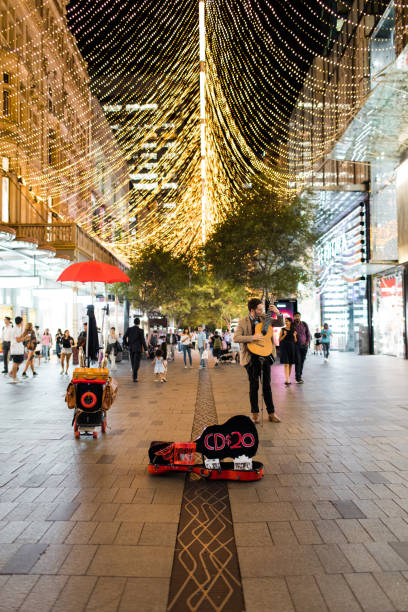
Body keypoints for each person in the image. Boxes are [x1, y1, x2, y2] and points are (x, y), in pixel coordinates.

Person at [234, 298, 283, 424]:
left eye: (262, 309)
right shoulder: (243, 321)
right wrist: (252, 337)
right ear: (252, 310)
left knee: (267, 385)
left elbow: (279, 323)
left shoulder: (264, 318)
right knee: (254, 386)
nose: (262, 311)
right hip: (251, 358)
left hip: (266, 355)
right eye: (259, 309)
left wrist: (277, 312)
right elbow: (236, 338)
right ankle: (254, 414)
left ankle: (271, 413)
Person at [123, 317, 147, 382]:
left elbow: (124, 337)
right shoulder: (141, 331)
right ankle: (135, 377)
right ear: (139, 323)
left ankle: (134, 374)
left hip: (131, 348)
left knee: (133, 362)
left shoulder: (129, 329)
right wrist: (146, 350)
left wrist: (127, 344)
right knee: (137, 363)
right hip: (138, 349)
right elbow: (143, 341)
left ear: (134, 322)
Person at [8, 317, 29, 383]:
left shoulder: (18, 328)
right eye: (23, 321)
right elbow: (18, 340)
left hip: (18, 349)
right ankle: (14, 377)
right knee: (15, 363)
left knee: (20, 361)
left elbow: (20, 336)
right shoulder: (15, 329)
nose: (23, 323)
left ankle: (12, 373)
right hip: (16, 349)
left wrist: (23, 328)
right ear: (20, 322)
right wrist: (25, 337)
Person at [293, 311, 311, 384]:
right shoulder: (292, 325)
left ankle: (299, 375)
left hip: (304, 346)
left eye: (298, 316)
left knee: (302, 361)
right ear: (294, 317)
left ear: (300, 316)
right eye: (296, 316)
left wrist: (307, 343)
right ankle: (298, 378)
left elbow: (308, 334)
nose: (297, 317)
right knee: (298, 361)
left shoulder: (304, 324)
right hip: (296, 346)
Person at [279, 317, 297, 386]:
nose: (286, 322)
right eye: (285, 321)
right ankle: (287, 380)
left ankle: (288, 378)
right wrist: (284, 335)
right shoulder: (282, 329)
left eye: (287, 321)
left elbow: (295, 341)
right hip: (284, 348)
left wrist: (295, 336)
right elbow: (279, 340)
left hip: (292, 348)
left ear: (290, 322)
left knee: (290, 364)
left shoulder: (293, 330)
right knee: (286, 364)